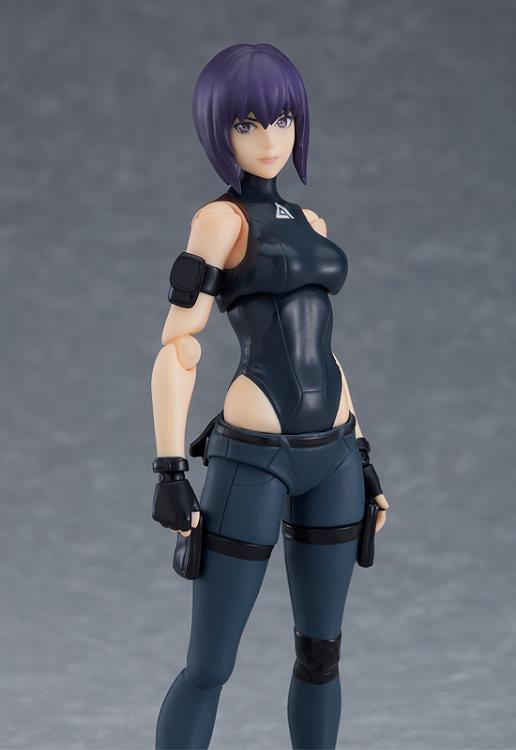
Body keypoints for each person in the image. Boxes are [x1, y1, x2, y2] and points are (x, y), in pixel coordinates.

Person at [150, 43, 389, 750]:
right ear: (218, 129)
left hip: (333, 455)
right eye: (247, 123)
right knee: (209, 664)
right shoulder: (219, 223)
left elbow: (323, 346)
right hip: (255, 457)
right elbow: (178, 346)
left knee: (321, 655)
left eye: (282, 120)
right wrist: (170, 469)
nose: (268, 139)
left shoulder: (313, 225)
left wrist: (362, 451)